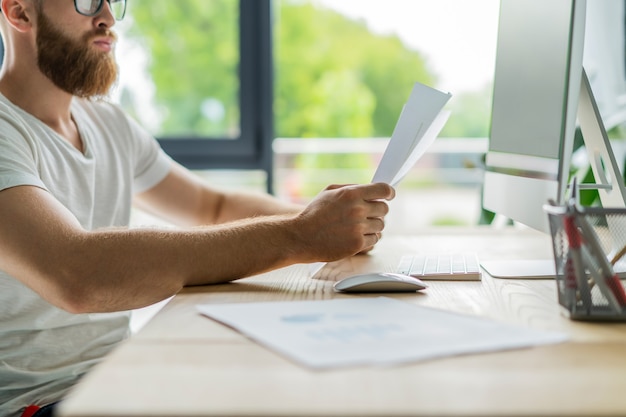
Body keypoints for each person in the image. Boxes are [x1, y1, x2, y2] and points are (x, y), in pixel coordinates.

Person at [0, 0, 395, 416]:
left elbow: (213, 205)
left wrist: (330, 219)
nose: (108, 17)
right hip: (42, 402)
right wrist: (301, 234)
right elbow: (76, 274)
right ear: (20, 12)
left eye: (113, 0)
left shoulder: (105, 122)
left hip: (121, 375)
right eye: (85, 0)